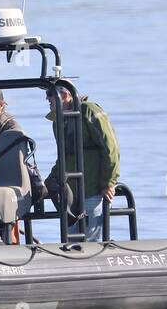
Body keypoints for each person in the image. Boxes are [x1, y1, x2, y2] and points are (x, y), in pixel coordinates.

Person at [46, 85, 121, 237]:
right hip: (71, 195)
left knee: (90, 240)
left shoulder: (89, 110)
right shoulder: (58, 121)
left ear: (65, 95)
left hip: (93, 190)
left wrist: (109, 182)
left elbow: (111, 147)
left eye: (50, 94)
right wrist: (48, 182)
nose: (47, 98)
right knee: (71, 241)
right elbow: (64, 157)